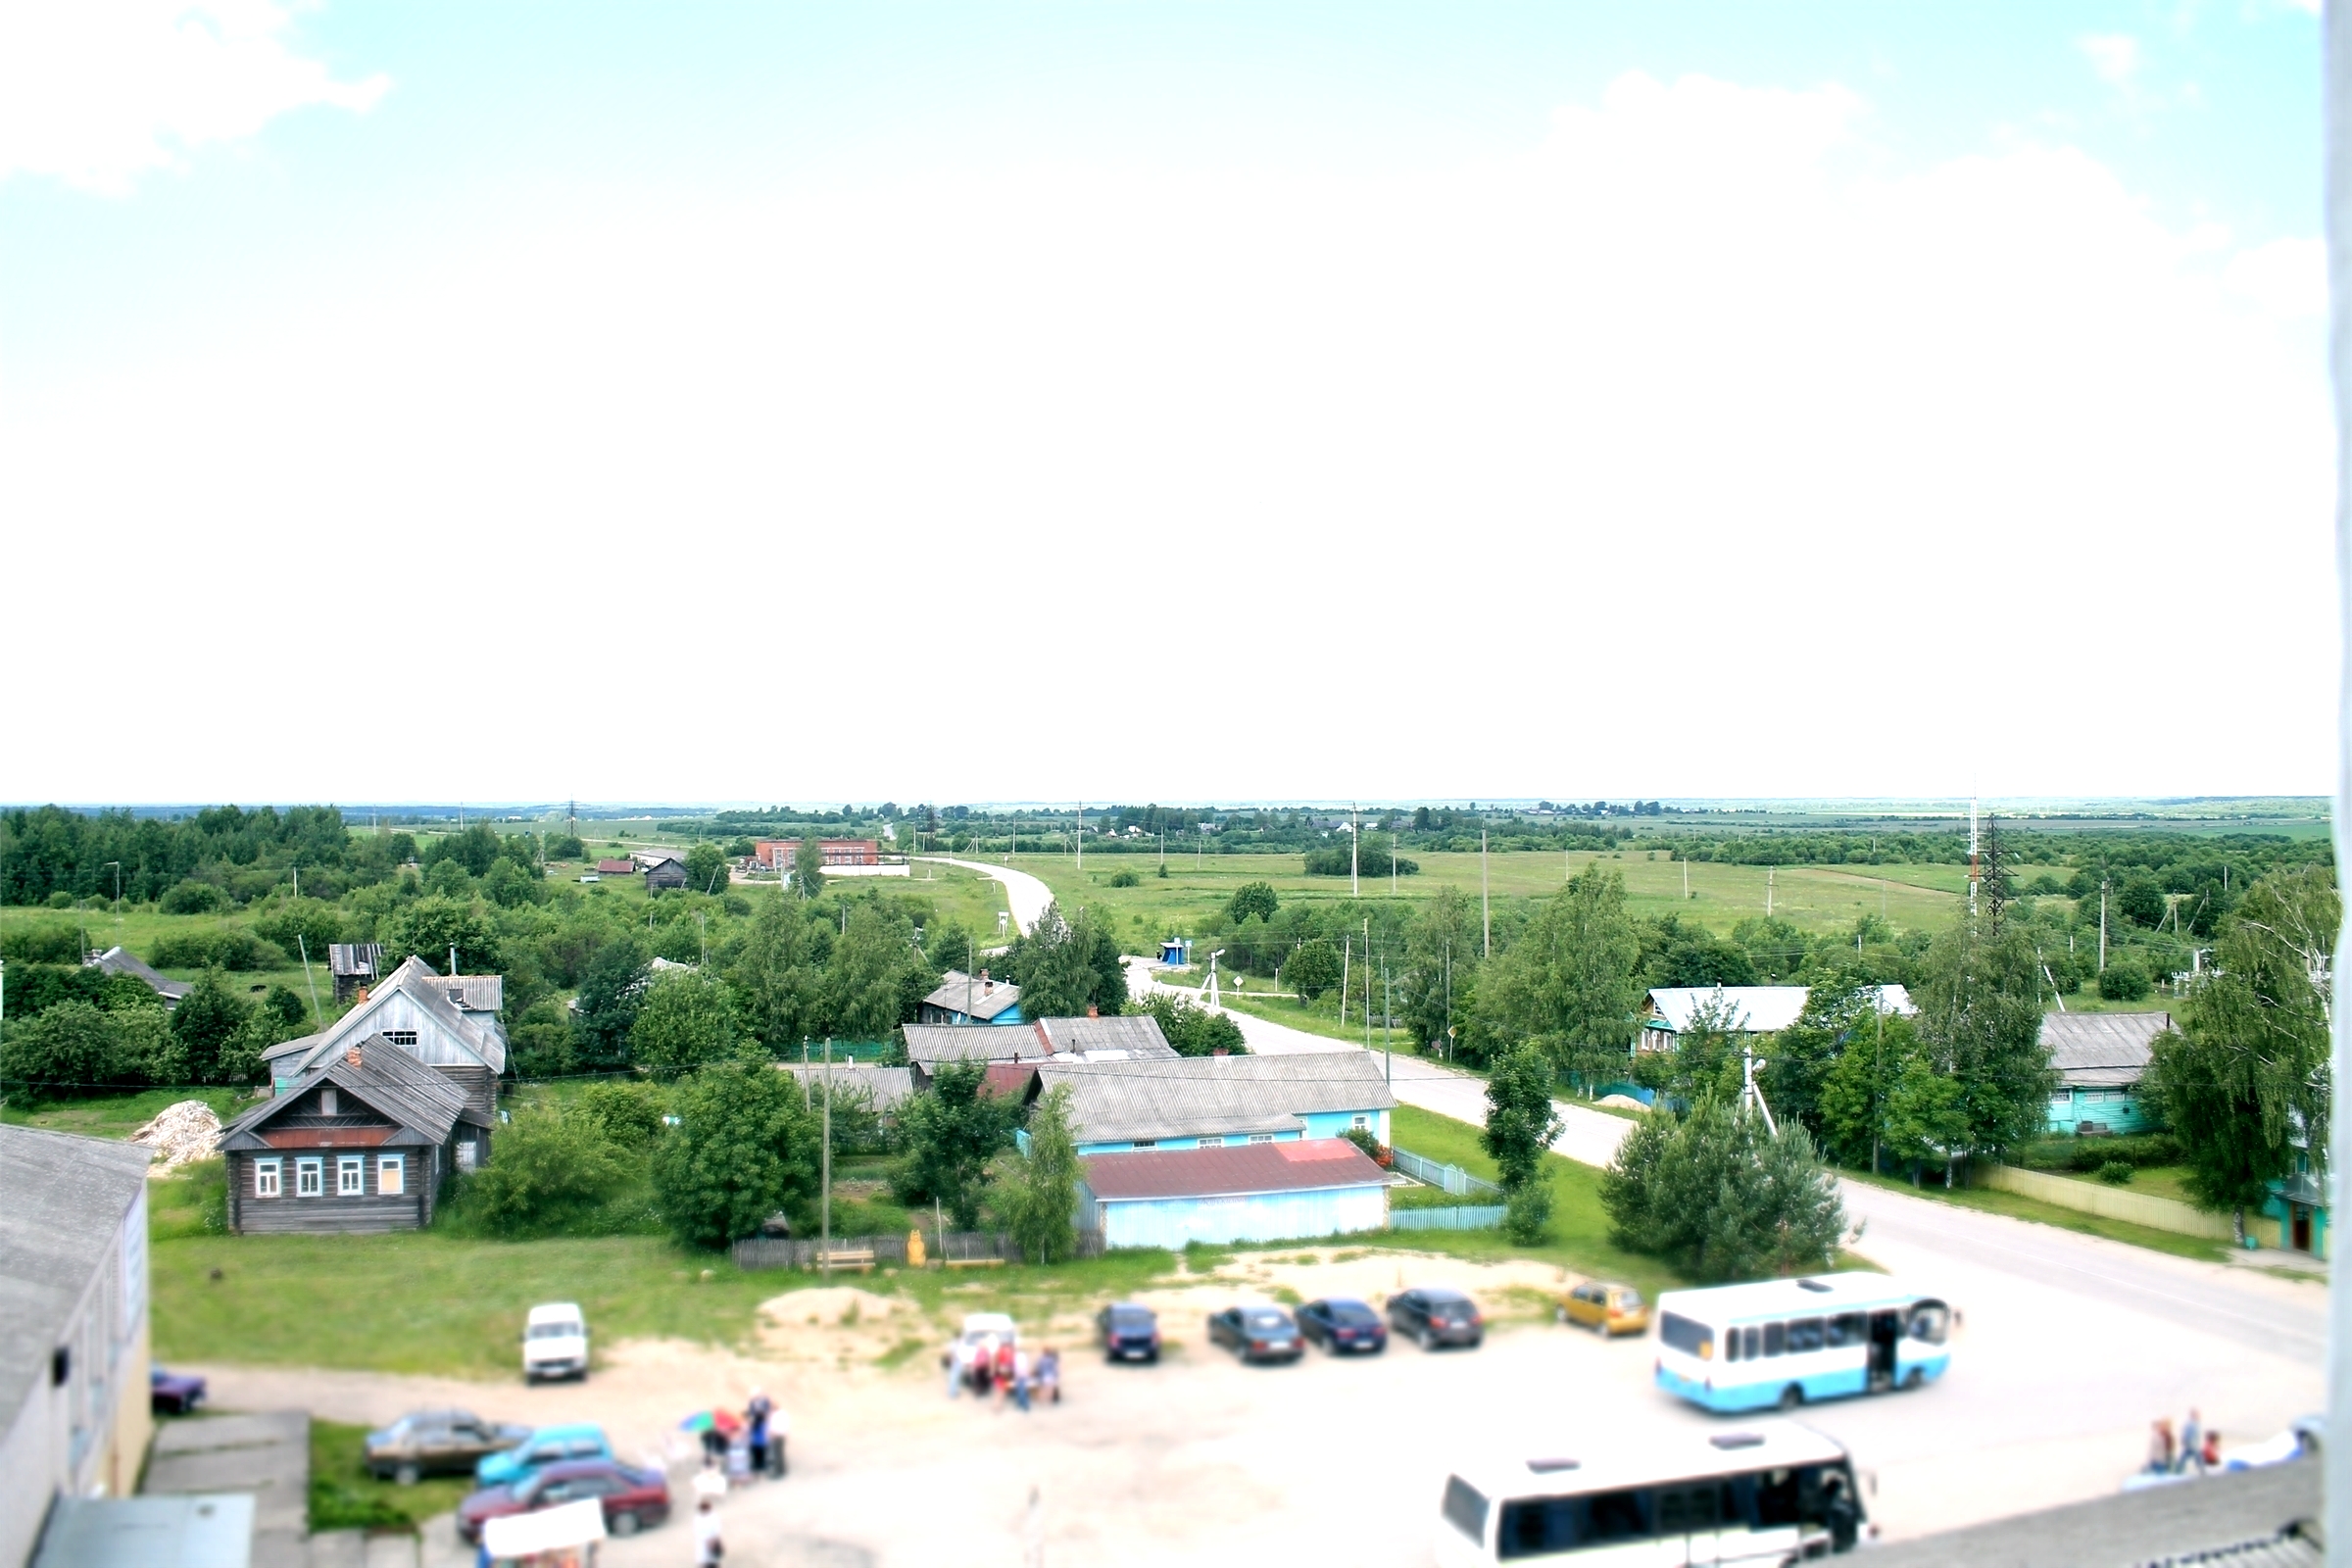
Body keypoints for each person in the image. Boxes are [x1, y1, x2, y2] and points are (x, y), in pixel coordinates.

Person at [1821, 1473, 1859, 1552]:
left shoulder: (1838, 1501)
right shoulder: (1831, 1502)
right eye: (1839, 1489)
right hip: (1836, 1530)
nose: (1840, 1491)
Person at [747, 1389, 773, 1477]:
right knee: (755, 1448)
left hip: (761, 1427)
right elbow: (751, 1413)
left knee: (762, 1448)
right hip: (755, 1428)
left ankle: (761, 1466)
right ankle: (757, 1466)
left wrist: (758, 1417)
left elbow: (766, 1414)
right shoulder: (752, 1402)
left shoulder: (764, 1402)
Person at [693, 1496, 724, 1565]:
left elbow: (717, 1530)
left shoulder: (712, 1517)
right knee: (707, 1562)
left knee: (711, 1561)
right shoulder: (698, 1518)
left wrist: (712, 1540)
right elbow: (698, 1532)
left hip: (710, 1544)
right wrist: (710, 1540)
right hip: (706, 1545)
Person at [2178, 1409, 2204, 1476]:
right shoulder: (2190, 1424)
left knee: (2186, 1457)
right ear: (2193, 1415)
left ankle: (2179, 1469)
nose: (2198, 1416)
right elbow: (2186, 1435)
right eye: (2197, 1415)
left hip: (2194, 1444)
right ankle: (2202, 1470)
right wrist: (2187, 1443)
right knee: (2196, 1457)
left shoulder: (2196, 1424)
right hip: (2191, 1444)